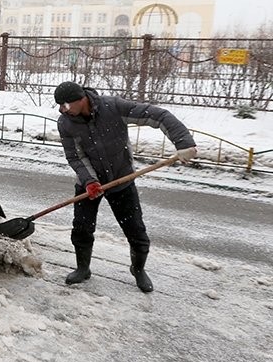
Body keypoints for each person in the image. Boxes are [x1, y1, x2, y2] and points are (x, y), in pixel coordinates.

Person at [54, 81, 197, 293]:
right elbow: (76, 157)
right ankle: (83, 268)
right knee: (82, 228)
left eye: (65, 104)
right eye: (59, 106)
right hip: (88, 185)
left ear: (81, 99)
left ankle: (138, 269)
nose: (62, 110)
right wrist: (90, 181)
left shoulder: (113, 107)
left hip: (122, 179)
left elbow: (158, 115)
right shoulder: (66, 123)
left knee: (136, 231)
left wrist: (183, 143)